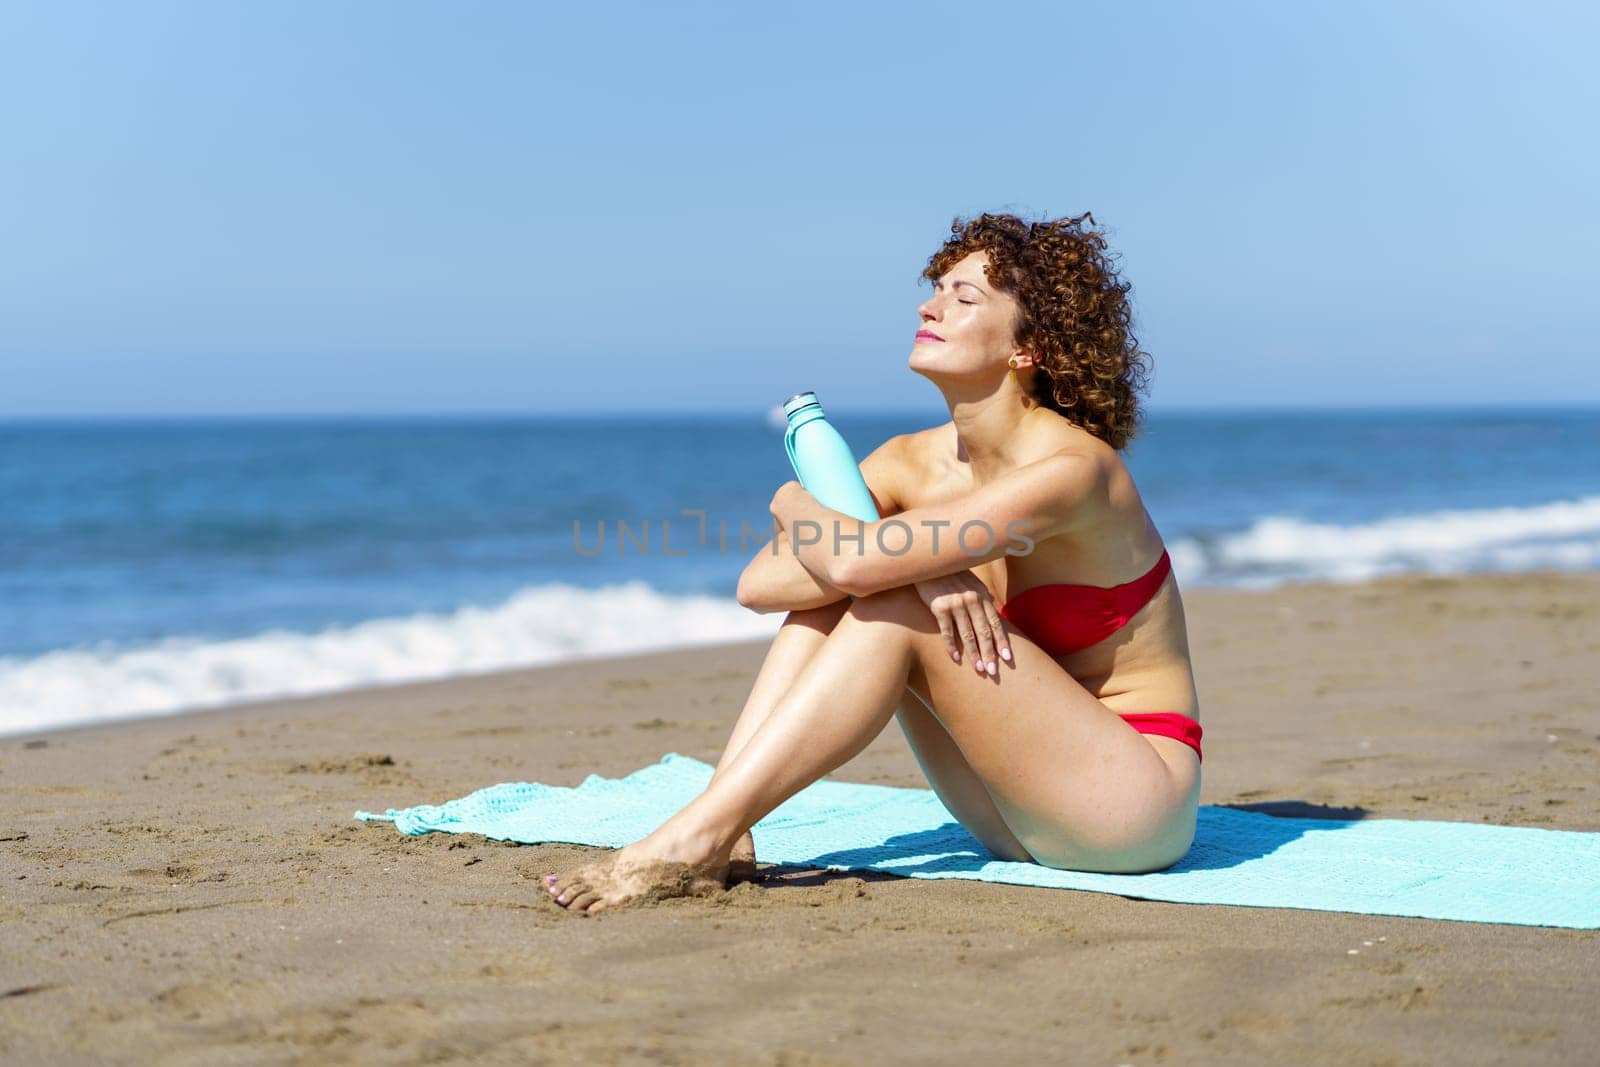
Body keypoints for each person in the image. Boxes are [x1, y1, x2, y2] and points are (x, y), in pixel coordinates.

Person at [544, 211, 1202, 914]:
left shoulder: (1072, 471)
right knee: (848, 590)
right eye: (937, 287)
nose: (930, 304)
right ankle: (729, 829)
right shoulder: (909, 461)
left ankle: (702, 833)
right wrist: (916, 562)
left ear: (1027, 347)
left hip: (1131, 805)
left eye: (965, 296)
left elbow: (859, 568)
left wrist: (798, 503)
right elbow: (761, 583)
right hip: (1014, 804)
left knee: (887, 599)